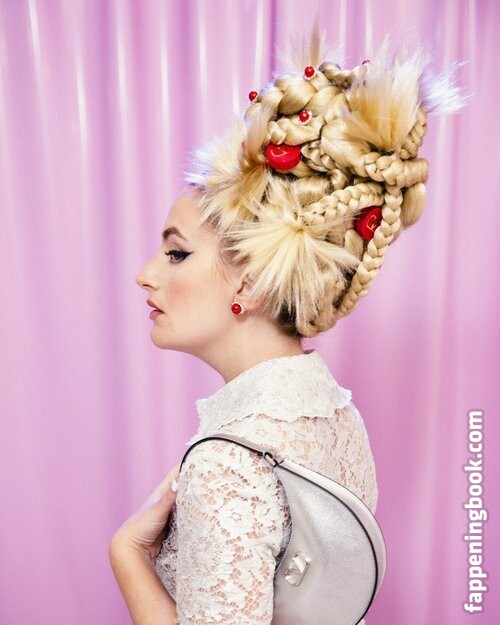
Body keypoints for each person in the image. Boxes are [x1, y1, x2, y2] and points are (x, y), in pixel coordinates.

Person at [109, 29, 465, 625]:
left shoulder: (230, 460)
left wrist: (127, 555)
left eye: (176, 254)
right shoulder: (335, 416)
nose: (146, 275)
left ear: (249, 284)